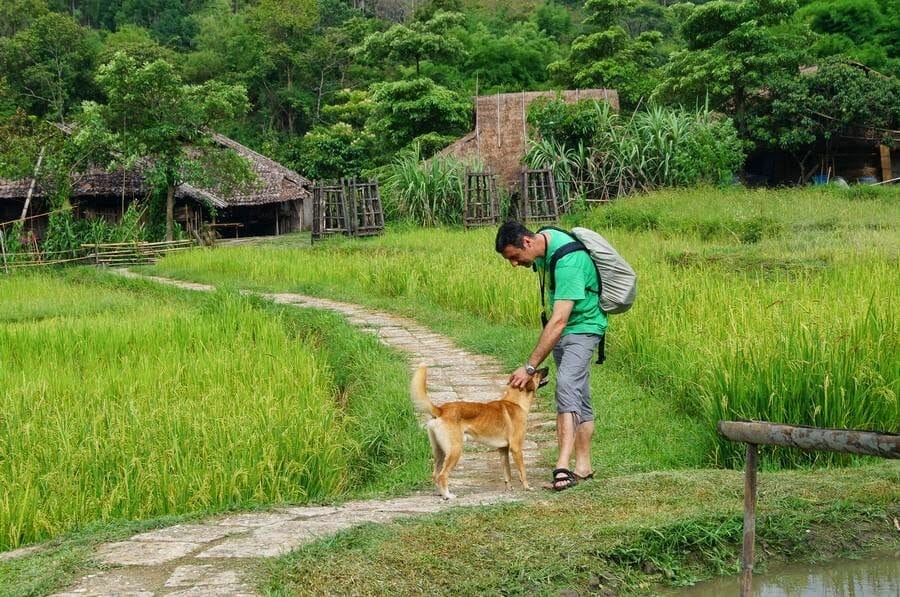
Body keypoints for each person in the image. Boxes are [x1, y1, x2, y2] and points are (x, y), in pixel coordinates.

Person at [495, 220, 607, 491]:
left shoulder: (568, 261)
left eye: (514, 257)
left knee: (566, 386)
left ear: (527, 242)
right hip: (564, 329)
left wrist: (530, 367)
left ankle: (562, 467)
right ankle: (584, 466)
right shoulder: (545, 243)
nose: (514, 263)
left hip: (583, 327)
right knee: (579, 395)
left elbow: (558, 321)